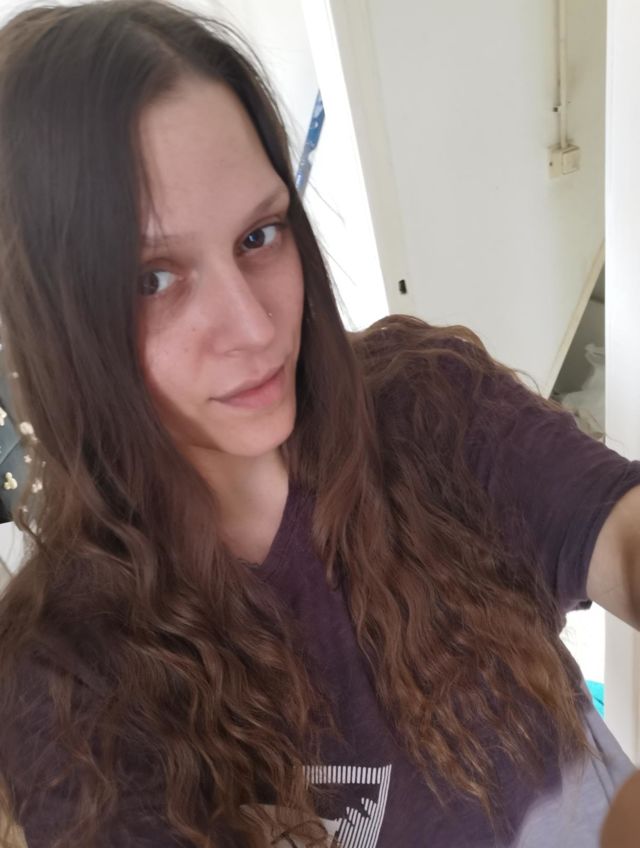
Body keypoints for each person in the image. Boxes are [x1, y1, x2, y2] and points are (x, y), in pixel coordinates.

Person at [0, 2, 638, 847]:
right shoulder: (65, 679)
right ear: (54, 326)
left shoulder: (424, 404)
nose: (255, 328)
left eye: (259, 235)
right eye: (151, 280)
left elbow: (622, 534)